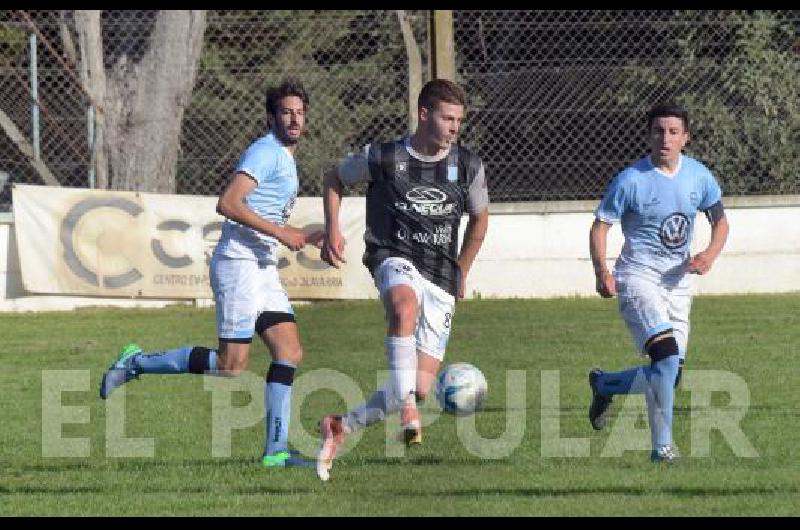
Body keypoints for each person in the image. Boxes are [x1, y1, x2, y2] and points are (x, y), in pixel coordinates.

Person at [99, 78, 322, 468]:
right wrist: (283, 233)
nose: (294, 119)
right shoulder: (265, 152)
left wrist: (304, 234)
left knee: (289, 351)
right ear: (272, 116)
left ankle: (276, 452)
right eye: (286, 112)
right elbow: (228, 203)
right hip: (239, 266)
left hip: (263, 267)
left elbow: (270, 213)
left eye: (300, 112)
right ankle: (135, 363)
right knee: (230, 366)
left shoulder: (285, 157)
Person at [314, 79, 490, 481]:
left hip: (442, 274)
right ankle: (408, 408)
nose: (454, 127)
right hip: (393, 256)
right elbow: (333, 178)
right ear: (424, 114)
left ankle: (341, 426)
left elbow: (480, 218)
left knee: (419, 386)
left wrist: (463, 267)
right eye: (447, 118)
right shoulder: (384, 157)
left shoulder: (468, 165)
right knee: (403, 306)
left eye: (459, 120)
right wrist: (334, 229)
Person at [588, 102, 729, 463]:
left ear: (685, 137)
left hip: (678, 283)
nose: (664, 138)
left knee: (670, 375)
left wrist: (709, 255)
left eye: (672, 131)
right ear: (648, 135)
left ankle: (605, 385)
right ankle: (662, 449)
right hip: (639, 279)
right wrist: (602, 271)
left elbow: (720, 221)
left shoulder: (699, 176)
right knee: (665, 360)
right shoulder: (631, 179)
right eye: (657, 131)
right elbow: (600, 226)